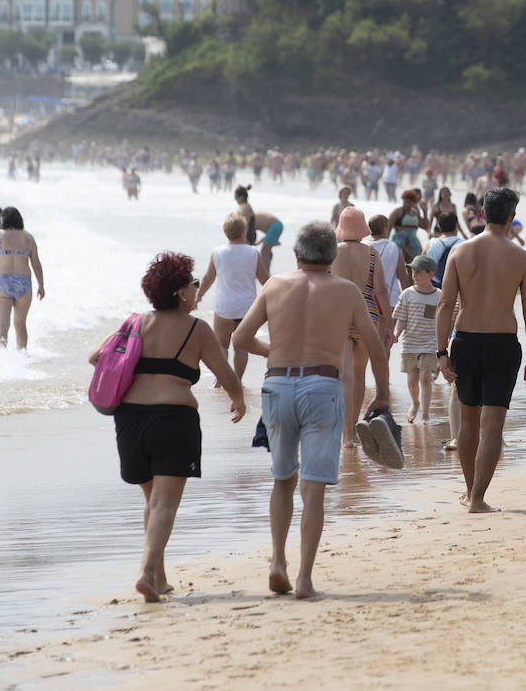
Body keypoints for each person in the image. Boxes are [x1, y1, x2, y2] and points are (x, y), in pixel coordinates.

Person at [233, 222, 390, 599]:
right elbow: (375, 346)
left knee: (282, 478)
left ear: (297, 255)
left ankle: (276, 562)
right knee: (314, 487)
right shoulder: (347, 291)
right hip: (323, 386)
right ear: (332, 256)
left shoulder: (275, 286)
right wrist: (382, 393)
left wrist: (275, 352)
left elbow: (238, 338)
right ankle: (304, 579)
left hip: (279, 385)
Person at [89, 252, 247, 603]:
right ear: (179, 292)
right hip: (173, 420)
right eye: (192, 284)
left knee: (152, 501)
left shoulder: (134, 323)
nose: (196, 289)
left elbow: (94, 356)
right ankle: (146, 573)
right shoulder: (197, 329)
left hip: (130, 421)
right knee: (164, 505)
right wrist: (239, 400)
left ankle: (159, 578)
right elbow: (225, 374)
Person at [436, 188, 526, 513]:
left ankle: (470, 492)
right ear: (511, 217)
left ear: (482, 213)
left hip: (466, 340)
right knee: (493, 425)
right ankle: (478, 497)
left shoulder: (460, 252)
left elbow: (444, 305)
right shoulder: (521, 257)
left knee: (468, 424)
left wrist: (441, 352)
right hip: (502, 344)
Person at [332, 207, 392, 447]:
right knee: (359, 375)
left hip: (340, 314)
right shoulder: (372, 254)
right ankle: (354, 430)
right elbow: (380, 290)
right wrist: (387, 321)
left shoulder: (333, 252)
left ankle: (346, 436)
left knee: (344, 376)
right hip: (367, 316)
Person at [197, 213, 270, 382]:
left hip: (224, 307)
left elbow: (208, 278)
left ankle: (221, 380)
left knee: (222, 345)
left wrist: (199, 296)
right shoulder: (253, 253)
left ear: (226, 232)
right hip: (247, 308)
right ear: (244, 231)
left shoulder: (218, 252)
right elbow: (264, 279)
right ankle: (237, 380)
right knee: (241, 346)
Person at [0, 207, 44, 349]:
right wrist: (41, 285)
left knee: (2, 326)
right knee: (20, 325)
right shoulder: (28, 238)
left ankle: (2, 362)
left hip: (3, 281)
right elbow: (36, 264)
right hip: (23, 282)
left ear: (4, 220)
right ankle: (22, 356)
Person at [393, 254, 442, 424]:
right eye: (412, 272)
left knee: (425, 377)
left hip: (429, 343)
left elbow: (442, 321)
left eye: (418, 272)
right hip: (410, 343)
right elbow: (402, 319)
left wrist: (445, 341)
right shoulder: (407, 294)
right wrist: (396, 335)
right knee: (412, 380)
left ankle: (426, 413)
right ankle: (415, 404)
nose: (413, 275)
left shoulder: (438, 296)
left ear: (430, 274)